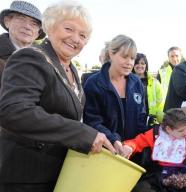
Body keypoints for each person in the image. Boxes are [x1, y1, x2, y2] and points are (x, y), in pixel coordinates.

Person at [0, 1, 115, 191]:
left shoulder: (71, 69)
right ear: (50, 27)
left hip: (58, 172)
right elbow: (13, 110)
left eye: (83, 35)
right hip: (27, 176)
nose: (75, 38)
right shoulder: (31, 56)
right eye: (69, 28)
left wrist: (103, 139)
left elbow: (72, 118)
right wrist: (82, 134)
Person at [122, 108, 186, 192]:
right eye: (181, 131)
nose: (185, 133)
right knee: (140, 188)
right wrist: (128, 147)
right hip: (157, 174)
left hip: (182, 174)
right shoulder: (155, 134)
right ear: (168, 129)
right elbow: (137, 142)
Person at [83, 34, 147, 156]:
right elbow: (92, 120)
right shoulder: (94, 83)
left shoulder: (137, 82)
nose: (129, 63)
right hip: (104, 152)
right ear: (111, 54)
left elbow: (141, 118)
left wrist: (134, 144)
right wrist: (113, 139)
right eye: (124, 57)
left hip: (133, 152)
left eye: (132, 58)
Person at [0, 0, 45, 87]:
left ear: (38, 33)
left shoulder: (45, 62)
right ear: (7, 22)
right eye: (21, 19)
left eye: (34, 24)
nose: (27, 26)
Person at [132, 53, 164, 124]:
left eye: (142, 63)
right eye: (136, 63)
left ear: (146, 65)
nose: (140, 66)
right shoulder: (127, 81)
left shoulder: (155, 82)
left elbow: (161, 102)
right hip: (133, 121)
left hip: (151, 121)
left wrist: (156, 118)